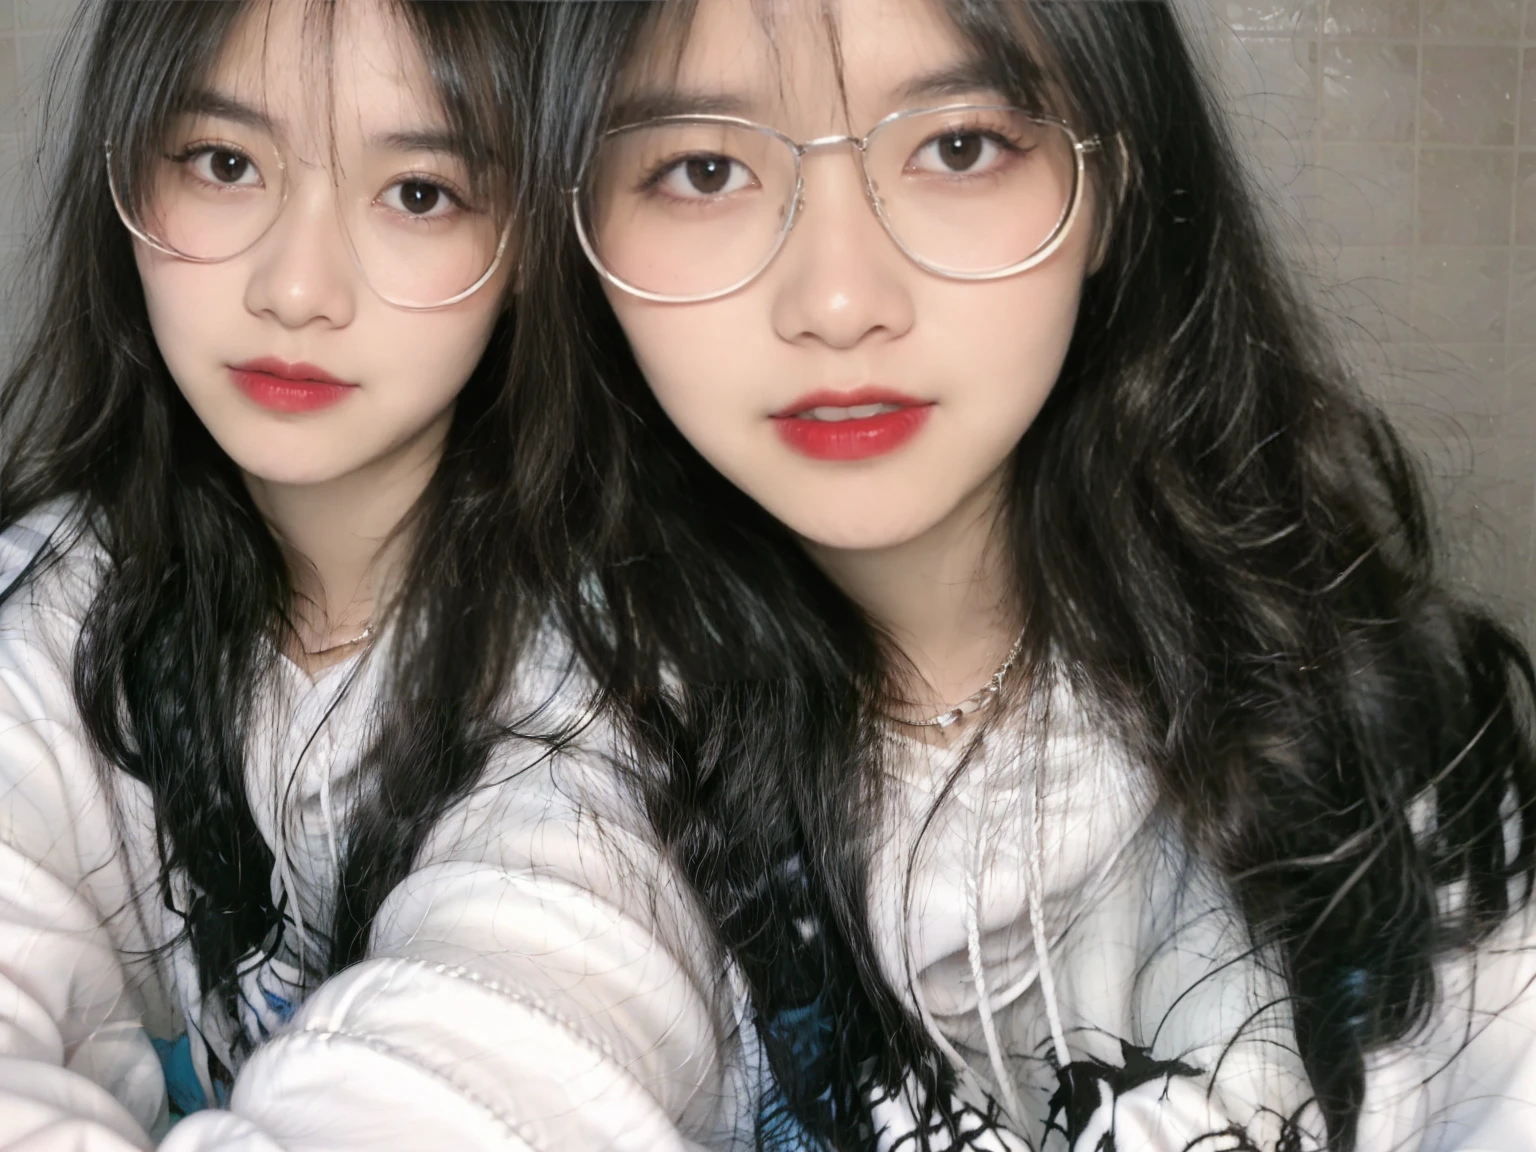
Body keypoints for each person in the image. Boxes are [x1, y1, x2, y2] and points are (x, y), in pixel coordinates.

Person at [509, 0, 1536, 1147]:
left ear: (1110, 196)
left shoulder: (1375, 714)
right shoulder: (569, 726)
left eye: (960, 146)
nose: (838, 303)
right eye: (704, 170)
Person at [0, 2, 704, 1148]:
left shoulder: (627, 684)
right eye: (225, 163)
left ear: (533, 239)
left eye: (419, 192)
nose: (296, 288)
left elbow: (507, 1051)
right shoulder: (59, 598)